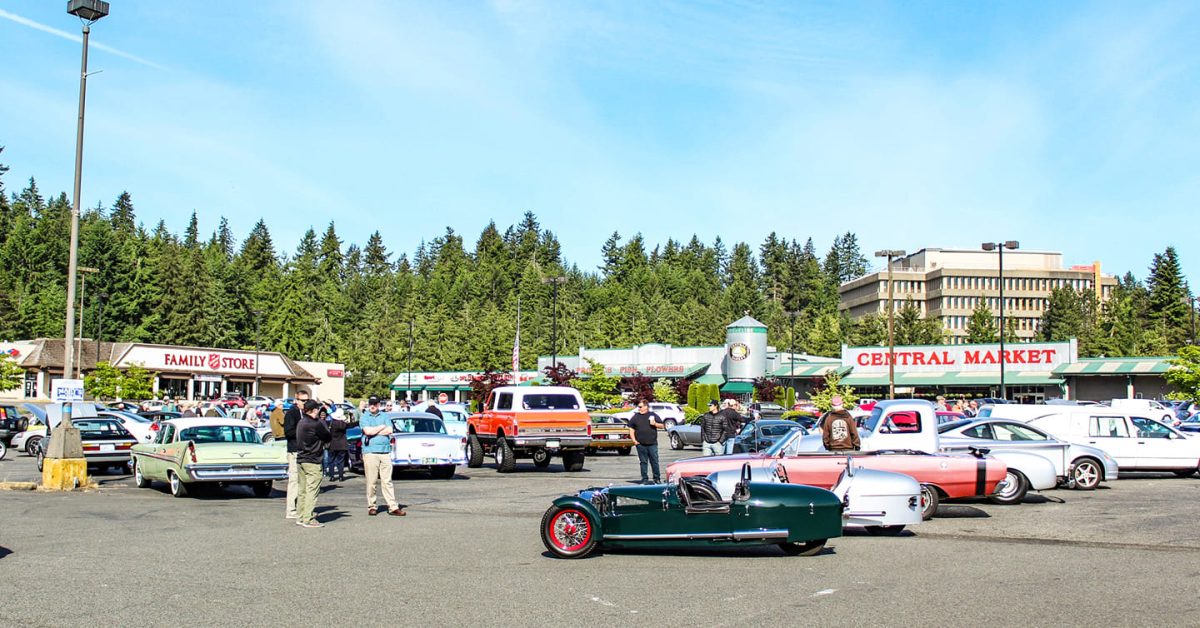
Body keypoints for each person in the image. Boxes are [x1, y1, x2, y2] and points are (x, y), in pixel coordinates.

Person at [360, 395, 405, 516]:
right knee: (372, 481)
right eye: (371, 404)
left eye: (375, 404)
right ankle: (372, 506)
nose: (372, 406)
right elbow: (367, 431)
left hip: (385, 452)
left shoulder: (385, 415)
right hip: (370, 452)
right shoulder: (364, 416)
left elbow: (390, 430)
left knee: (387, 481)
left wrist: (375, 431)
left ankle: (393, 506)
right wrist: (381, 427)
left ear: (379, 405)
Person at [294, 400, 332, 528]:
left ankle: (300, 515)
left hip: (301, 458)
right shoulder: (314, 424)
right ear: (315, 410)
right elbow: (327, 436)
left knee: (302, 490)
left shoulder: (301, 422)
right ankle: (308, 518)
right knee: (312, 490)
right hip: (313, 459)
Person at [283, 388, 311, 520]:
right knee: (294, 480)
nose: (305, 403)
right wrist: (302, 433)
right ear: (296, 400)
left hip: (305, 451)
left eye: (307, 400)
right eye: (302, 400)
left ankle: (301, 508)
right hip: (294, 450)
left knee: (303, 481)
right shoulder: (292, 413)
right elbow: (288, 432)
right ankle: (291, 510)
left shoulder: (306, 414)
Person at [626, 399, 663, 484]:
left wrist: (655, 424)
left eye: (640, 407)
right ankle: (644, 479)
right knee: (643, 462)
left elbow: (662, 425)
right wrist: (634, 440)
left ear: (646, 407)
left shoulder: (653, 415)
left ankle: (657, 478)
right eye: (638, 407)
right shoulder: (636, 416)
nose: (638, 408)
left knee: (654, 461)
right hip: (640, 444)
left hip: (652, 443)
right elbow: (631, 428)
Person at [326, 410, 350, 482]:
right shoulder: (344, 424)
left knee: (331, 461)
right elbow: (352, 424)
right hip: (342, 444)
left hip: (332, 444)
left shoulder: (331, 423)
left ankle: (332, 476)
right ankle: (340, 476)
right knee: (340, 461)